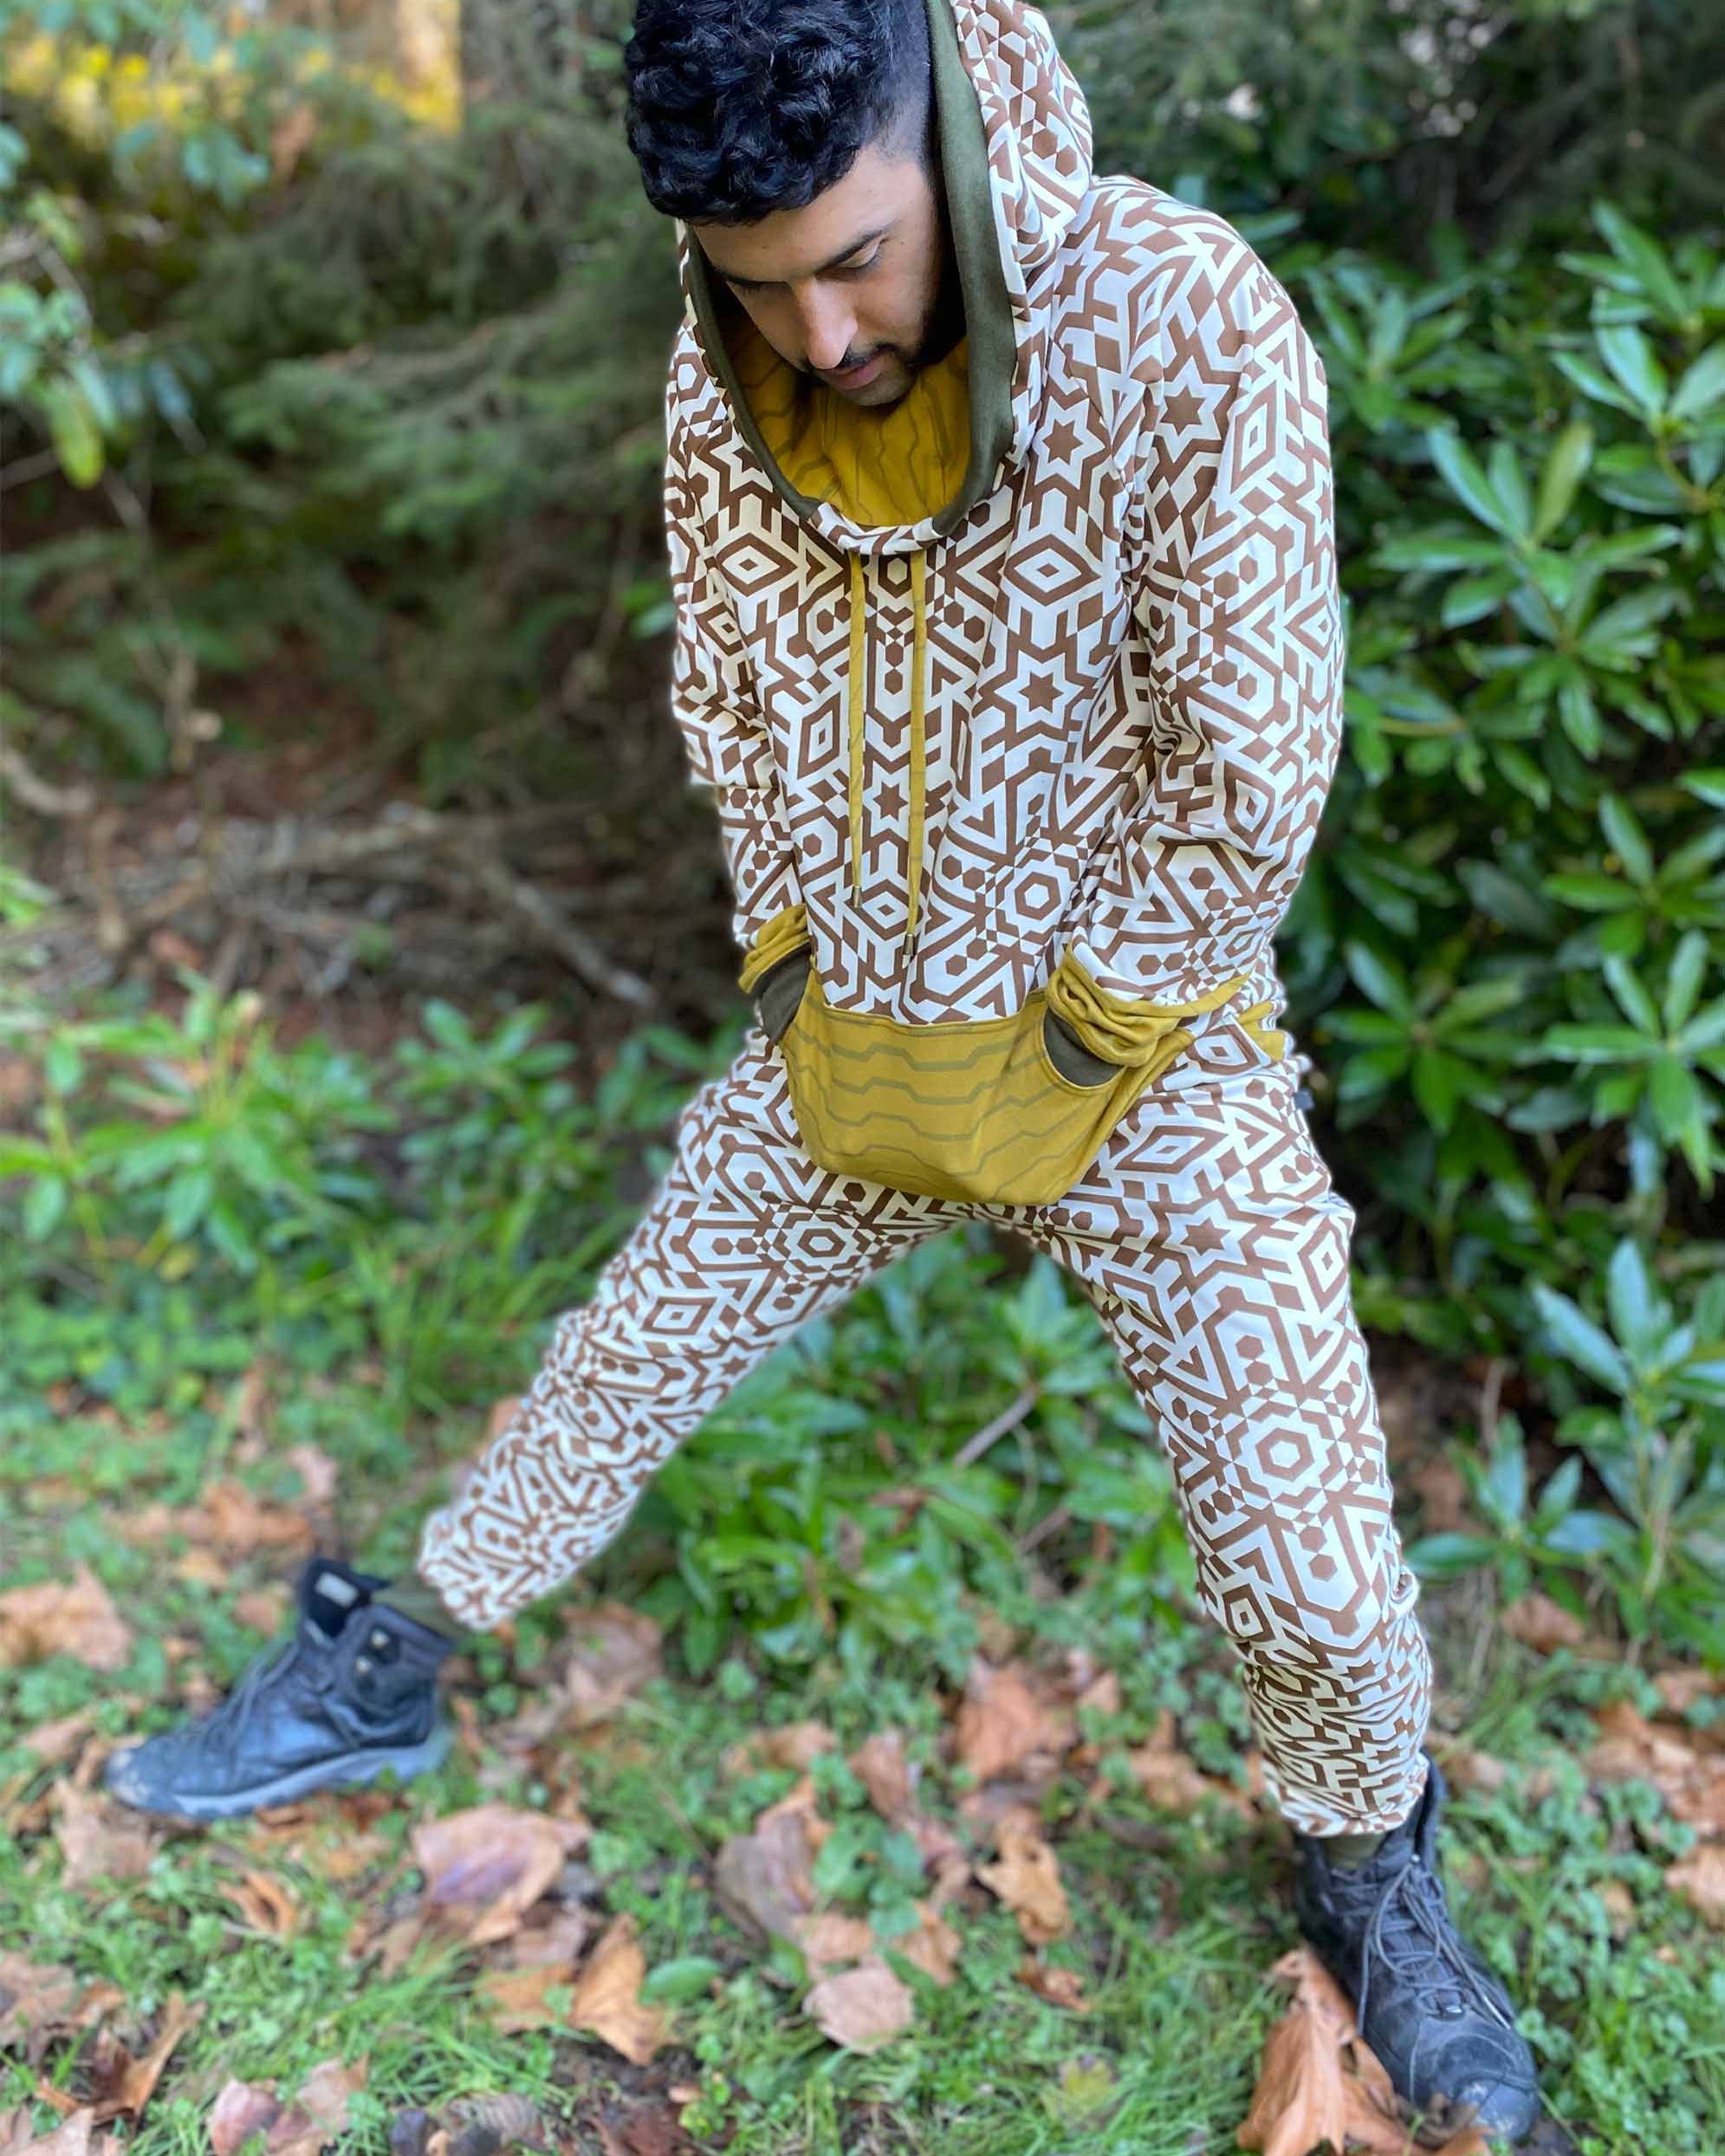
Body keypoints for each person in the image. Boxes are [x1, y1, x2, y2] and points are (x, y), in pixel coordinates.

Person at [103, 1, 1540, 2138]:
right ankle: (384, 1658)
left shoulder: (1184, 317)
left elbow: (1254, 760)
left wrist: (1083, 1031)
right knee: (617, 1359)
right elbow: (731, 695)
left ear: (944, 129)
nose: (824, 333)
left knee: (1320, 1573)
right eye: (760, 282)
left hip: (1140, 1052)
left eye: (859, 256)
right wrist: (792, 966)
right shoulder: (731, 367)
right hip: (851, 1034)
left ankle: (1367, 1863)